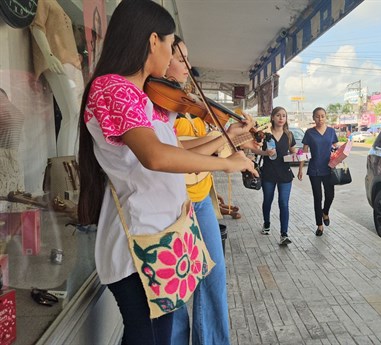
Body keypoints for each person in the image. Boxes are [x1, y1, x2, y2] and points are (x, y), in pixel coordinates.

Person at [76, 1, 256, 344]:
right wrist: (227, 163)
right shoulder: (111, 88)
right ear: (152, 40)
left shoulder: (140, 98)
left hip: (161, 237)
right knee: (151, 336)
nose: (176, 56)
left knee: (160, 333)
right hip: (140, 244)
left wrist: (225, 137)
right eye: (172, 46)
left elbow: (175, 150)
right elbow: (156, 157)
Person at [167, 35, 242, 345]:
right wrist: (224, 144)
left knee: (214, 275)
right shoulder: (160, 106)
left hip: (200, 200)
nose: (188, 65)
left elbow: (213, 154)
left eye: (188, 58)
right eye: (180, 58)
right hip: (176, 203)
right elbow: (175, 152)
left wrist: (232, 139)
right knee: (177, 285)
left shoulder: (187, 105)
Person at [30, 0, 84, 156]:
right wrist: (49, 56)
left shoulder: (56, 4)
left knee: (75, 116)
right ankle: (66, 163)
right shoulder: (43, 1)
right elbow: (37, 27)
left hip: (72, 64)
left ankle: (72, 162)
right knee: (71, 114)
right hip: (59, 62)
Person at [250, 107, 296, 245]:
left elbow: (294, 151)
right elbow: (252, 149)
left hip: (285, 174)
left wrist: (299, 155)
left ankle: (284, 234)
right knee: (268, 200)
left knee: (284, 203)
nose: (281, 118)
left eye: (284, 116)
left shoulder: (289, 135)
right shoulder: (264, 135)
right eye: (278, 115)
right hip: (268, 173)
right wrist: (265, 153)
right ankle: (267, 224)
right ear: (272, 118)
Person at [297, 107, 339, 236]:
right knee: (317, 198)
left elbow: (336, 149)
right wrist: (300, 169)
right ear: (313, 118)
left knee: (330, 195)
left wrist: (340, 156)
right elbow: (303, 152)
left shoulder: (331, 132)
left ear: (325, 117)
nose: (320, 119)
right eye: (317, 116)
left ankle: (325, 212)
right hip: (314, 169)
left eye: (322, 116)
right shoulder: (309, 133)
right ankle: (319, 225)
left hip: (328, 169)